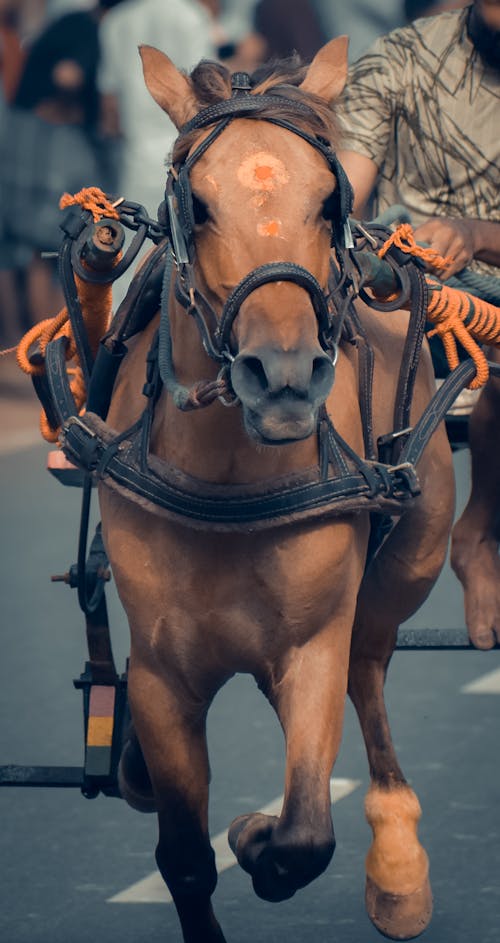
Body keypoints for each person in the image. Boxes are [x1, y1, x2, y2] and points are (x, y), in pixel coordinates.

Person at [338, 0, 500, 649]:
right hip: (405, 283)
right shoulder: (402, 60)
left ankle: (480, 528)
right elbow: (344, 191)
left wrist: (477, 233)